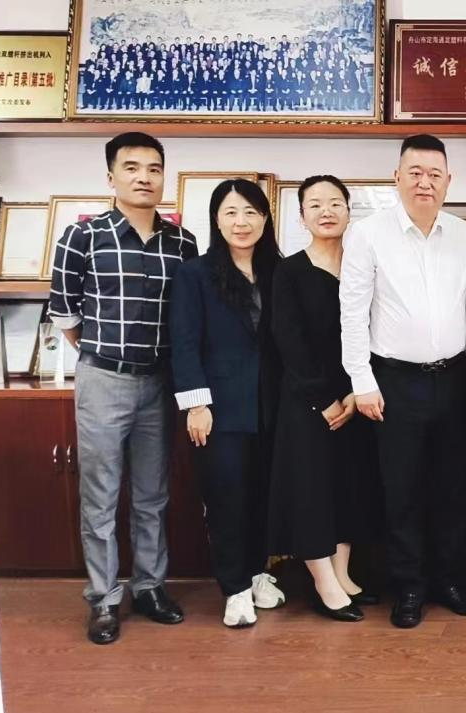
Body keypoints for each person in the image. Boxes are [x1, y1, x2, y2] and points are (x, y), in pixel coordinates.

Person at [48, 132, 195, 645]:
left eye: (154, 168)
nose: (144, 177)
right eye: (131, 168)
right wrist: (103, 354)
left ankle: (150, 587)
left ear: (164, 177)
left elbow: (188, 317)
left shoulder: (183, 243)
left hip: (161, 383)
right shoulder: (82, 236)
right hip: (103, 380)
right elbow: (65, 313)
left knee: (153, 494)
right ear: (111, 177)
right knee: (101, 496)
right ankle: (104, 599)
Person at [340, 135, 466, 629]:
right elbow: (352, 313)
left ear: (448, 181)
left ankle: (450, 579)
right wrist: (362, 380)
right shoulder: (368, 234)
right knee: (401, 489)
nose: (425, 182)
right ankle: (409, 587)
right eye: (415, 172)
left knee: (454, 487)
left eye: (435, 174)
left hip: (455, 379)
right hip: (393, 382)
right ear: (397, 176)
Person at [170, 179, 285, 629]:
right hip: (219, 408)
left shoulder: (278, 270)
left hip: (272, 406)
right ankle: (234, 589)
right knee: (226, 499)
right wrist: (196, 405)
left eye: (251, 212)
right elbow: (184, 343)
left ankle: (256, 574)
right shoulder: (194, 274)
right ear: (216, 220)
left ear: (265, 219)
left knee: (262, 495)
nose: (242, 222)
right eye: (231, 213)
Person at [268, 175, 375, 623]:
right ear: (302, 217)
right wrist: (324, 398)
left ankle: (343, 574)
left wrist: (354, 391)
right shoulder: (289, 271)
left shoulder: (362, 265)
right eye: (315, 204)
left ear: (349, 211)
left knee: (347, 485)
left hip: (356, 397)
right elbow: (288, 341)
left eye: (335, 203)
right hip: (308, 401)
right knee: (311, 489)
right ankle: (322, 582)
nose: (326, 211)